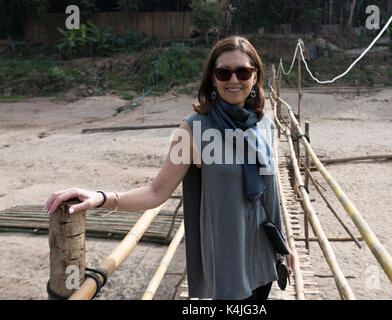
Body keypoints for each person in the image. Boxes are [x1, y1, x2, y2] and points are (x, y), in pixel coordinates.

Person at [45, 36, 294, 300]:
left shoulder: (264, 125)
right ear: (212, 78)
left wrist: (283, 244)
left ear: (255, 77)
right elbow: (156, 191)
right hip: (227, 263)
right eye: (224, 73)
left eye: (243, 72)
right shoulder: (193, 129)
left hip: (263, 255)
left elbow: (271, 194)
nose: (234, 80)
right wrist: (102, 198)